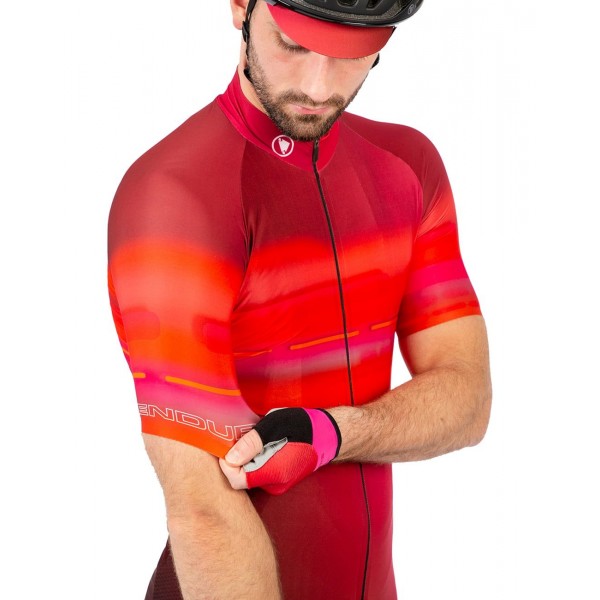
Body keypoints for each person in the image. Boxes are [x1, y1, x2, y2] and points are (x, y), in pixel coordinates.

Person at [107, 0, 492, 598]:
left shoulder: (407, 168)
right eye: (293, 45)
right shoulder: (178, 196)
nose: (317, 87)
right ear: (242, 7)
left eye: (350, 55)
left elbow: (468, 400)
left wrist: (333, 433)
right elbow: (203, 508)